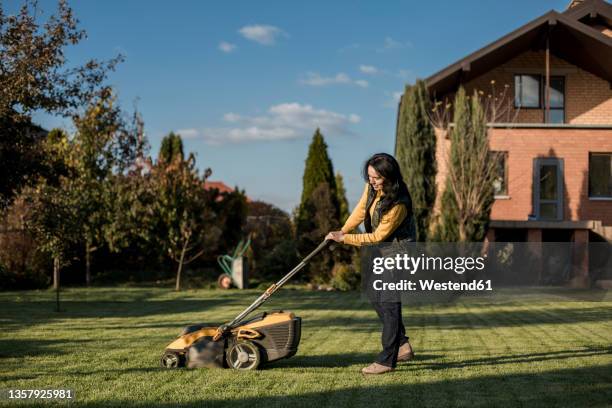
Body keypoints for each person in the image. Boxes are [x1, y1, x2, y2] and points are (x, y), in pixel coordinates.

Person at [326, 152, 416, 375]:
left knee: (389, 304)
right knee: (373, 292)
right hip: (382, 251)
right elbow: (360, 210)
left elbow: (376, 237)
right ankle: (402, 344)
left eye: (376, 177)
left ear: (388, 176)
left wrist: (345, 239)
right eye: (369, 176)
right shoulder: (372, 188)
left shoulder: (399, 204)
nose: (371, 181)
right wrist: (343, 230)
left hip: (398, 254)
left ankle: (387, 360)